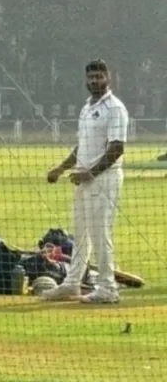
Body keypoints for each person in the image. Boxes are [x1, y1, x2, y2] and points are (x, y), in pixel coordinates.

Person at [43, 59, 128, 304]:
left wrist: (90, 173)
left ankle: (107, 288)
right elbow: (82, 147)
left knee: (100, 233)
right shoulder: (86, 107)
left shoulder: (115, 108)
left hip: (104, 179)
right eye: (90, 77)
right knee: (80, 234)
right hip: (82, 179)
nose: (94, 81)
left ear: (108, 78)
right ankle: (72, 283)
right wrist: (61, 168)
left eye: (99, 77)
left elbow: (117, 148)